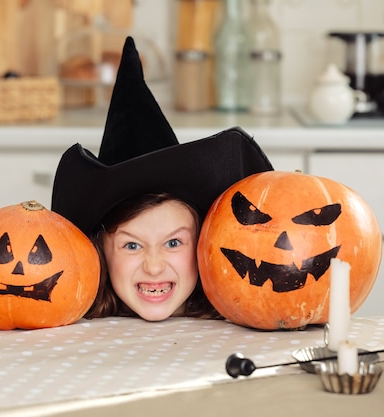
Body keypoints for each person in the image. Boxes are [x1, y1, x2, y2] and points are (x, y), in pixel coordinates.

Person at [51, 37, 273, 321]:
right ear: (100, 252)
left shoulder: (239, 320)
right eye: (131, 245)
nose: (153, 268)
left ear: (203, 245)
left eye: (173, 243)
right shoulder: (74, 326)